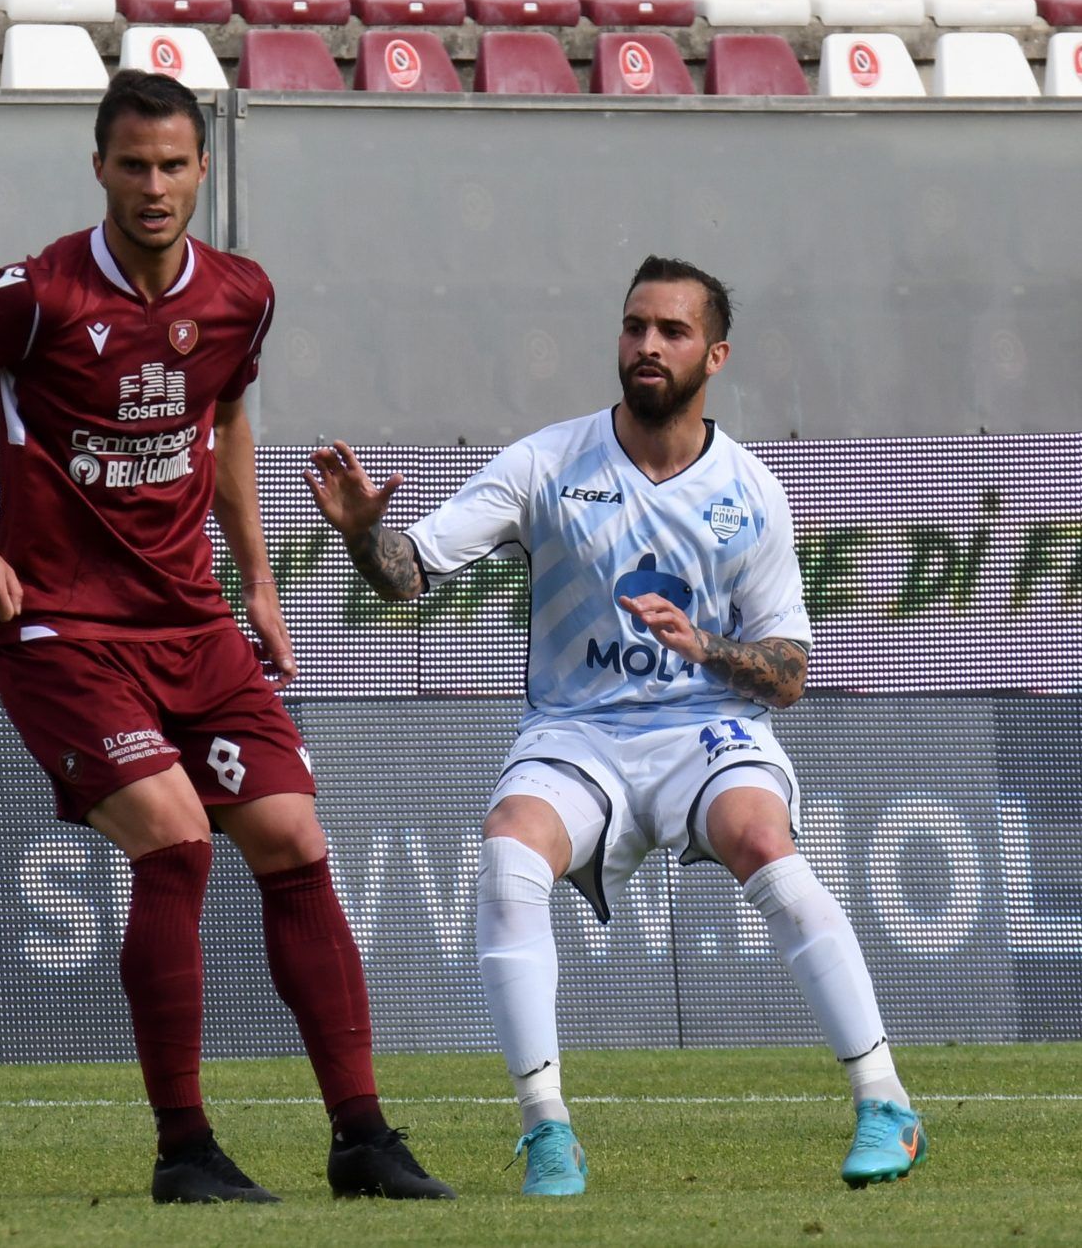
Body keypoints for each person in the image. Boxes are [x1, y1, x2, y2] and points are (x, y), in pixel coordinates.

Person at [0, 70, 452, 1205]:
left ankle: (362, 1139)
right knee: (176, 843)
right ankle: (185, 1149)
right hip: (61, 630)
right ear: (99, 170)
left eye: (174, 164)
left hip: (196, 623)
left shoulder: (241, 296)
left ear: (201, 170)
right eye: (132, 164)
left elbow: (225, 418)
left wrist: (261, 583)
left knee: (291, 839)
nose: (154, 185)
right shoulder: (32, 294)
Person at [303, 256, 926, 1195]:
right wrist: (360, 533)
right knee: (508, 855)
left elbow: (789, 675)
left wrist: (707, 646)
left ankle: (885, 1101)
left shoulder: (749, 490)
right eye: (635, 325)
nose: (646, 344)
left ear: (714, 354)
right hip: (578, 733)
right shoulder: (547, 462)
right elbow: (408, 571)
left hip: (706, 727)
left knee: (766, 839)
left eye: (672, 331)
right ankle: (546, 1129)